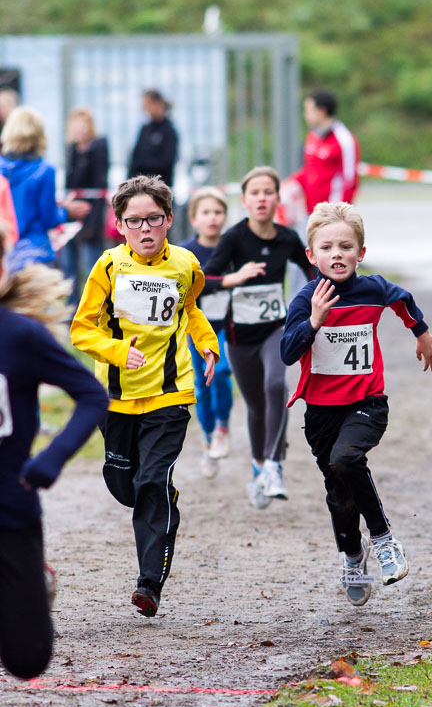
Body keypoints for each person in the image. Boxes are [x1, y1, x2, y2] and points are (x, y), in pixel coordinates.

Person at [70, 175, 219, 618]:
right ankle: (161, 504)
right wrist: (118, 352)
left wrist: (207, 344)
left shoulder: (187, 265)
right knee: (126, 485)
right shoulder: (108, 267)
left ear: (169, 219)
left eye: (154, 219)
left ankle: (148, 584)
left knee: (151, 481)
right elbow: (81, 328)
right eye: (135, 221)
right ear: (119, 225)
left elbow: (190, 311)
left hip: (169, 395)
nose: (146, 229)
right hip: (115, 398)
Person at [280, 201, 432, 606]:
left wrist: (420, 332)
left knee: (347, 460)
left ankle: (385, 540)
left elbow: (401, 299)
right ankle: (353, 556)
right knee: (338, 489)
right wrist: (314, 320)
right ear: (311, 255)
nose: (338, 254)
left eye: (347, 247)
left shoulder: (372, 288)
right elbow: (286, 352)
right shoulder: (305, 299)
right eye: (328, 247)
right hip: (320, 412)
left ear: (361, 254)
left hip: (367, 401)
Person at [0, 224, 108, 680]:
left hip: (9, 506)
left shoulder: (20, 336)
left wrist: (52, 457)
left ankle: (33, 580)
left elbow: (91, 395)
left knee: (28, 660)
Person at [203, 165, 314, 507]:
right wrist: (233, 279)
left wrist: (313, 300)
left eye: (268, 192)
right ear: (245, 201)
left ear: (277, 199)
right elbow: (203, 281)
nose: (262, 198)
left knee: (276, 387)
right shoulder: (234, 238)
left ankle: (274, 466)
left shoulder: (287, 238)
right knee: (255, 406)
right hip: (239, 337)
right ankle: (259, 467)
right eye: (255, 193)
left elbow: (312, 267)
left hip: (275, 329)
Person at [180, 186, 233, 477]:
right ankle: (209, 437)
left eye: (218, 212)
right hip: (197, 328)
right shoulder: (186, 251)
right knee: (201, 385)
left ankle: (223, 426)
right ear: (194, 218)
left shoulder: (232, 245)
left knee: (222, 372)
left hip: (228, 325)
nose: (212, 218)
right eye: (206, 212)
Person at [0, 106, 89, 271]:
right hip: (35, 254)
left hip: (5, 253)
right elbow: (49, 218)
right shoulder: (44, 170)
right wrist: (66, 211)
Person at [61, 107, 109, 307]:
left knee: (92, 267)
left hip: (90, 218)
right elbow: (70, 185)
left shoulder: (97, 149)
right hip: (71, 217)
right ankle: (72, 312)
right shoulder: (71, 150)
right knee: (68, 268)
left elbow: (99, 187)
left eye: (83, 125)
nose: (79, 130)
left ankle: (94, 310)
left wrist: (92, 225)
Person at [291, 89, 360, 214]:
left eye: (308, 110)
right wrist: (289, 184)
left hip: (330, 216)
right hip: (310, 212)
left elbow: (350, 181)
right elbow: (309, 170)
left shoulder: (344, 140)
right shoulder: (312, 136)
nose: (305, 115)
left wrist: (337, 217)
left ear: (321, 111)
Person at [128, 90, 178, 187]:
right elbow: (134, 159)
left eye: (147, 105)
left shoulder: (169, 131)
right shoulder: (144, 129)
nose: (145, 109)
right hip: (139, 187)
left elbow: (167, 163)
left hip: (160, 188)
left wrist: (142, 163)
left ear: (158, 104)